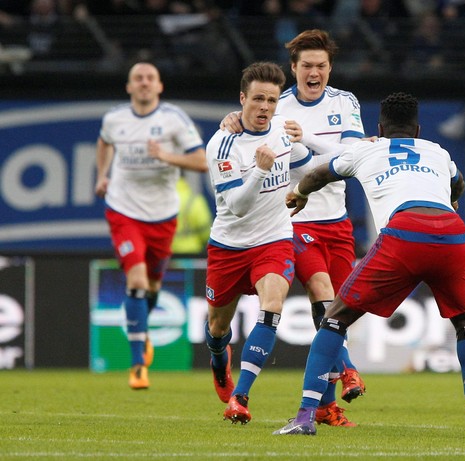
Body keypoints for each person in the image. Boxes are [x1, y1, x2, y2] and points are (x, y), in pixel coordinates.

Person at [273, 92, 465, 438]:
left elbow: (320, 173)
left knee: (335, 317)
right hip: (452, 233)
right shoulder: (437, 152)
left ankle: (305, 416)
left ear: (379, 127)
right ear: (418, 129)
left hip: (404, 233)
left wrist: (300, 193)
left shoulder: (367, 149)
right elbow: (460, 183)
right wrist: (448, 199)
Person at [220, 30, 366, 427]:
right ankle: (348, 369)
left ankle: (324, 406)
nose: (313, 72)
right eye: (306, 66)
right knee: (322, 290)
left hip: (337, 220)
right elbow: (254, 134)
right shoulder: (277, 106)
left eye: (320, 65)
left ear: (329, 68)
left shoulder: (344, 102)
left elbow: (352, 155)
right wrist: (234, 120)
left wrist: (310, 139)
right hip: (294, 220)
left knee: (337, 311)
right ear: (294, 68)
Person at [203, 61, 315, 425]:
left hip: (275, 238)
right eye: (257, 99)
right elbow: (236, 206)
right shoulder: (223, 143)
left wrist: (306, 141)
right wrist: (261, 169)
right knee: (218, 328)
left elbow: (306, 158)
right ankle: (220, 362)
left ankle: (240, 396)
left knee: (272, 307)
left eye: (270, 99)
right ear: (242, 99)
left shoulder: (282, 130)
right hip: (229, 247)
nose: (265, 106)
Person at [94, 62, 207, 390]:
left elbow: (201, 161)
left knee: (153, 286)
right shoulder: (115, 119)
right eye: (137, 79)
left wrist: (167, 157)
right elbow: (104, 142)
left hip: (163, 215)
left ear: (160, 86)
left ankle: (141, 331)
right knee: (137, 280)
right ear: (129, 87)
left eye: (150, 79)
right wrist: (103, 175)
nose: (144, 84)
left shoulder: (173, 119)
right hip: (123, 210)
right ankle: (137, 363)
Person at [170, 173, 213, 255]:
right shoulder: (195, 199)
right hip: (193, 252)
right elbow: (205, 230)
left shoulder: (161, 201)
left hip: (167, 253)